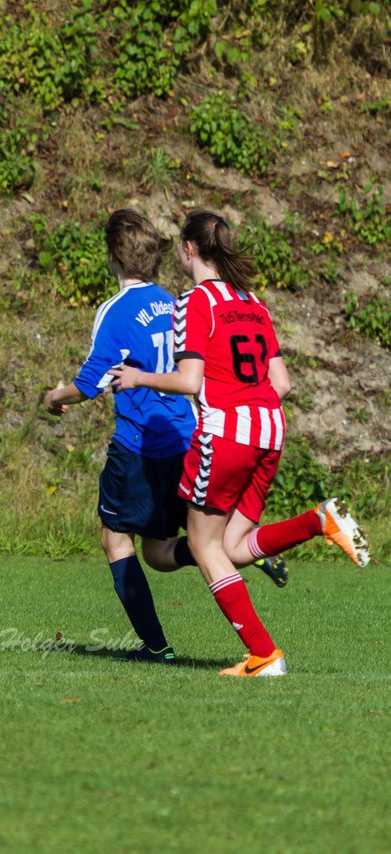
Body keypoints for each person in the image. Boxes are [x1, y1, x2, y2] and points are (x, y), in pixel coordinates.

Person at [109, 210, 371, 677]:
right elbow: (283, 383)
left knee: (202, 543)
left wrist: (138, 377)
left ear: (189, 249)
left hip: (227, 433)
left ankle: (263, 654)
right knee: (231, 547)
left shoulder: (192, 302)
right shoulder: (254, 302)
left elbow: (190, 381)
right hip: (270, 428)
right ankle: (318, 520)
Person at [42, 209, 198, 664]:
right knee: (158, 548)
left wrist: (56, 397)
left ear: (113, 257)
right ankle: (233, 553)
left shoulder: (114, 311)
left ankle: (158, 649)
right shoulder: (173, 302)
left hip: (140, 445)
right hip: (183, 437)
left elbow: (90, 384)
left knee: (115, 537)